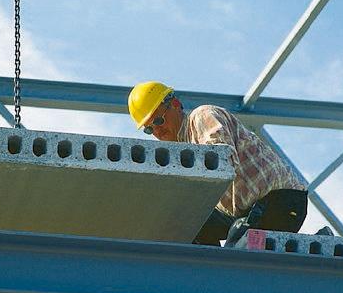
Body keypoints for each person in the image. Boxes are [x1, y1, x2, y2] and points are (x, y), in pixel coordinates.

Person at [128, 81, 308, 246]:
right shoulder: (183, 150)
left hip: (282, 202)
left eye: (159, 120)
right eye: (150, 128)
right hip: (246, 211)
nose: (158, 130)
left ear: (175, 104)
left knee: (238, 248)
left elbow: (221, 161)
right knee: (186, 225)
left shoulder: (202, 117)